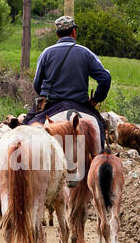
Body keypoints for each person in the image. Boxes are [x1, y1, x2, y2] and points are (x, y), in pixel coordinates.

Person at [26, 15, 111, 150]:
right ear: (74, 32)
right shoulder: (86, 53)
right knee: (100, 127)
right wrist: (95, 100)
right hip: (80, 103)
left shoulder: (46, 53)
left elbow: (37, 84)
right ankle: (101, 158)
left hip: (51, 103)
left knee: (26, 127)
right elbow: (105, 78)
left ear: (57, 34)